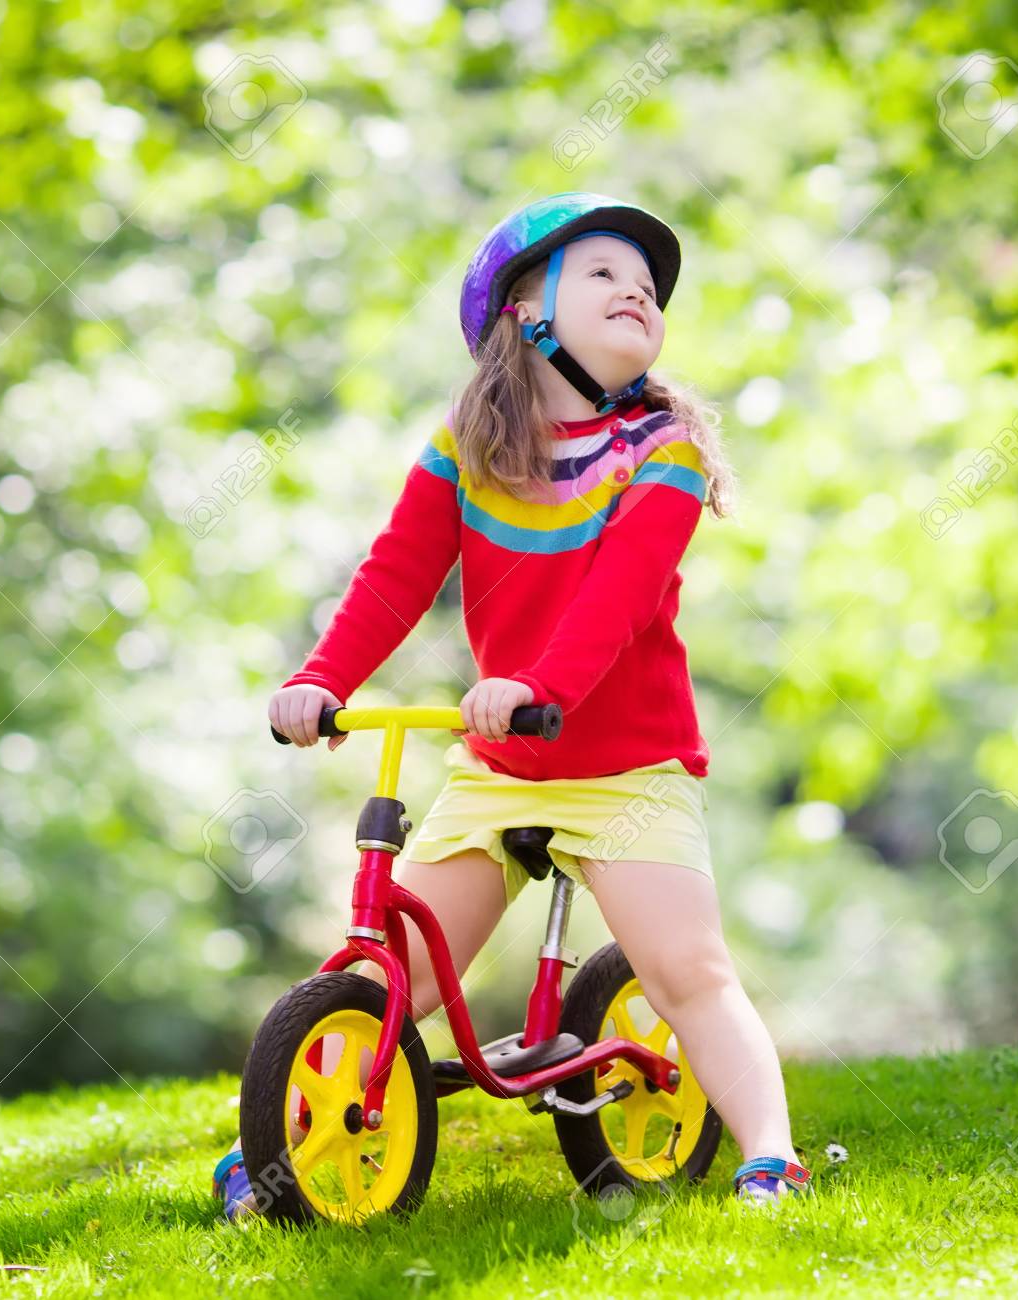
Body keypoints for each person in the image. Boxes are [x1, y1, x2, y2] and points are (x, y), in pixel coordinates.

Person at [216, 192, 812, 1215]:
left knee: (684, 969)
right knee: (384, 971)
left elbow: (621, 596)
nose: (636, 289)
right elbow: (396, 573)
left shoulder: (659, 448)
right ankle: (296, 1129)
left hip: (627, 766)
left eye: (648, 285)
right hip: (502, 764)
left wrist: (540, 687)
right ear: (525, 313)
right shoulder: (466, 447)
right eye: (602, 273)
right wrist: (323, 678)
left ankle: (770, 1152)